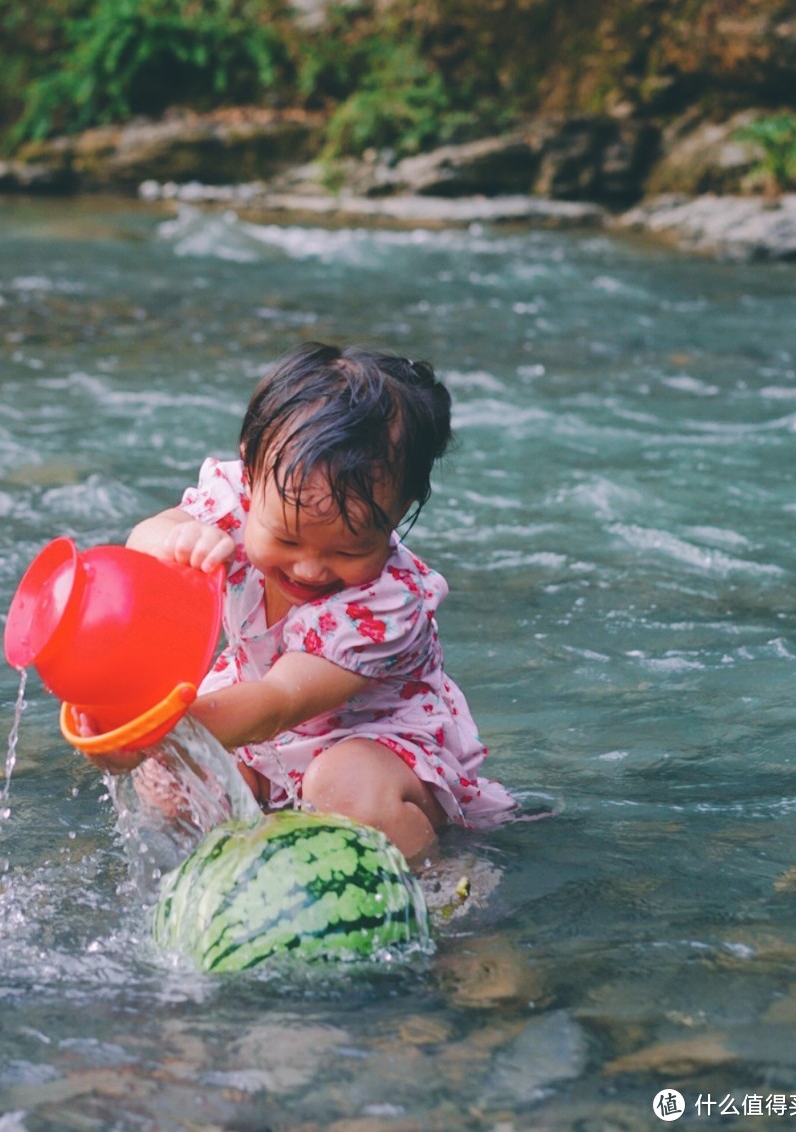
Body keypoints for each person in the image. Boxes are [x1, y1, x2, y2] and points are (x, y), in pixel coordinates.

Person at [72, 342, 515, 859]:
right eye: (286, 540)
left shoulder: (389, 603)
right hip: (259, 721)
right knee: (173, 787)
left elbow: (279, 703)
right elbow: (141, 547)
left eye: (348, 549)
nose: (309, 567)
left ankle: (441, 894)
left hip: (376, 748)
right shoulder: (241, 498)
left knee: (339, 785)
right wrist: (176, 540)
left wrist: (153, 731)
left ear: (400, 513)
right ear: (252, 471)